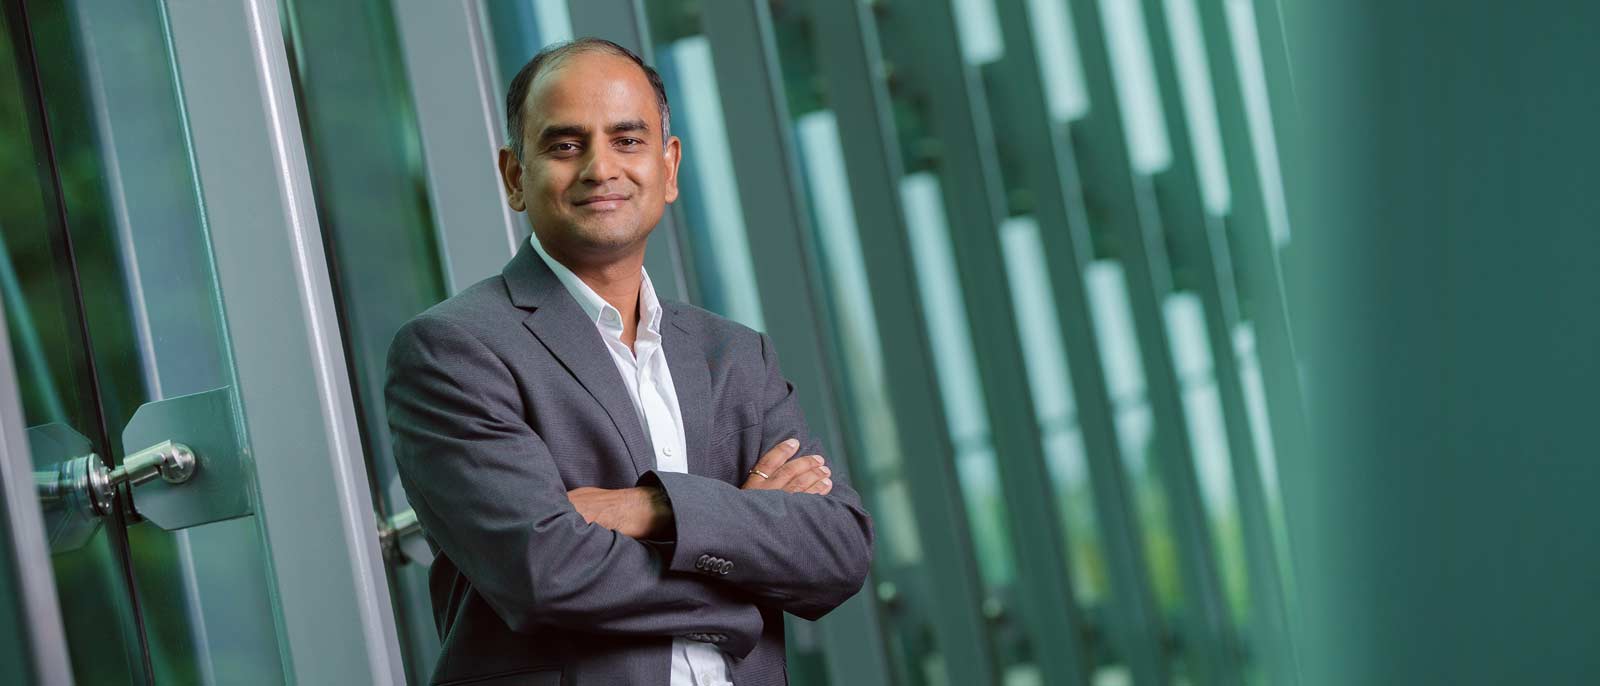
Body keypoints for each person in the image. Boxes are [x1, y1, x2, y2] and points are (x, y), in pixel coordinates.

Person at [385, 38, 874, 686]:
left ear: (668, 168)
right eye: (565, 145)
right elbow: (546, 571)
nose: (599, 167)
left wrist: (655, 510)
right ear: (514, 176)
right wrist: (739, 562)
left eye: (627, 140)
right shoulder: (454, 351)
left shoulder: (734, 354)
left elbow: (836, 548)